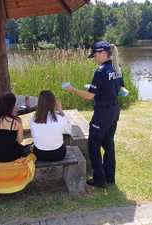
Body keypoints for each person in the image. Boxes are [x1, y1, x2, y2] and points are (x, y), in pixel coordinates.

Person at [64, 41, 124, 188]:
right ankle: (110, 177)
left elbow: (90, 96)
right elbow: (121, 88)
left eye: (95, 55)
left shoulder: (100, 71)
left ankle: (99, 180)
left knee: (93, 145)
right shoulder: (117, 68)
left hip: (102, 113)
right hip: (114, 111)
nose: (94, 58)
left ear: (103, 53)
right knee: (109, 144)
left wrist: (73, 90)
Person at [30, 90, 71, 161]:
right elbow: (69, 130)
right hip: (58, 154)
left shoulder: (34, 118)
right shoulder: (59, 118)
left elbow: (33, 135)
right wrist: (61, 111)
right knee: (64, 134)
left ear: (39, 103)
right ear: (54, 103)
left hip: (39, 154)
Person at [0, 93, 29, 162]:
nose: (16, 106)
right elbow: (20, 140)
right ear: (10, 106)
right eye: (14, 104)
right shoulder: (16, 121)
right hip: (12, 155)